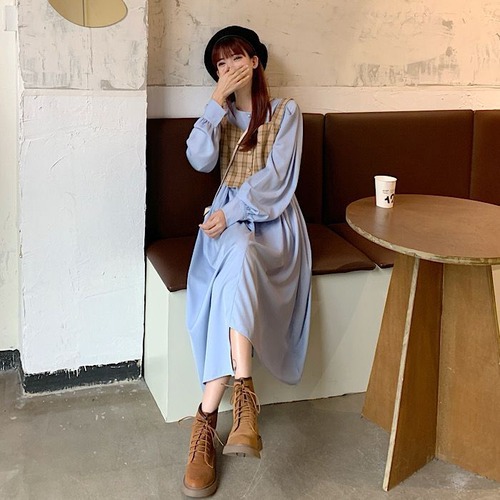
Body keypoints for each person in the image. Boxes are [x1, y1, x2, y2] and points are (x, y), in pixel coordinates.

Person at [182, 25, 312, 497]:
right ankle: (244, 398)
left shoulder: (286, 112)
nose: (229, 68)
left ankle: (206, 419)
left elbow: (277, 180)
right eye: (220, 64)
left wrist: (233, 212)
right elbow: (198, 160)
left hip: (274, 223)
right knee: (234, 253)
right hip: (224, 225)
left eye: (237, 58)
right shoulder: (218, 116)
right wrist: (216, 100)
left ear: (256, 60)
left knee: (238, 257)